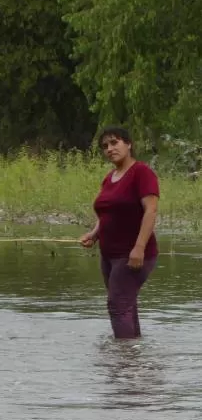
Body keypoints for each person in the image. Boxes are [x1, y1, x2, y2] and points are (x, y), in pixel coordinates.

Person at [79, 126, 159, 340]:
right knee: (125, 304)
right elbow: (106, 214)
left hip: (133, 254)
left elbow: (150, 211)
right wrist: (94, 234)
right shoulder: (109, 178)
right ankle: (134, 357)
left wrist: (139, 248)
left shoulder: (141, 172)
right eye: (105, 146)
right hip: (109, 256)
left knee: (117, 305)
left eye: (115, 142)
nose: (110, 148)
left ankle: (123, 362)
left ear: (128, 143)